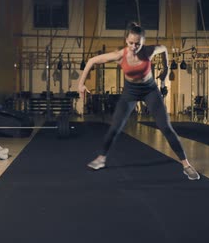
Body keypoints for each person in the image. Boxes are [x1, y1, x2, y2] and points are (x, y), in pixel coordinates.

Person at [77, 22, 200, 180]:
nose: (134, 46)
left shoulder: (149, 51)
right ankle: (101, 159)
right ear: (126, 40)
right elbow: (91, 61)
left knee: (166, 127)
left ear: (143, 41)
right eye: (131, 43)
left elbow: (164, 49)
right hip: (130, 92)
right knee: (115, 127)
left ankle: (186, 165)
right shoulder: (120, 55)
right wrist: (81, 83)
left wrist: (166, 69)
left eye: (138, 43)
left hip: (150, 90)